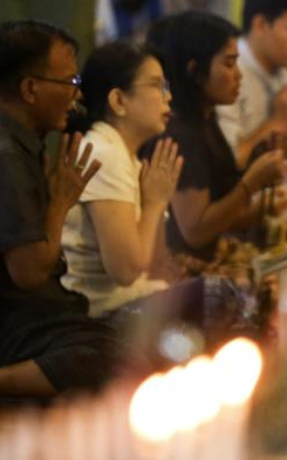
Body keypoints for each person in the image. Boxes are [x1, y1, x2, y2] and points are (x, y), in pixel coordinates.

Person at [0, 20, 133, 404]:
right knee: (115, 357)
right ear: (30, 89)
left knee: (144, 334)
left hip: (28, 314)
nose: (77, 98)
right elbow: (28, 273)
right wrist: (61, 201)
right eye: (70, 83)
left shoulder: (11, 135)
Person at [151, 10, 287, 276]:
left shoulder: (205, 117)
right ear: (194, 70)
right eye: (228, 64)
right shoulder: (181, 133)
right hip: (184, 275)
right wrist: (252, 182)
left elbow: (222, 206)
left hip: (215, 255)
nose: (238, 75)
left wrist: (264, 179)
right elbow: (196, 231)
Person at [61, 40, 182, 317]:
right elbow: (126, 271)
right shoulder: (104, 152)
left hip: (126, 305)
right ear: (118, 100)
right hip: (98, 317)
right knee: (221, 297)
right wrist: (154, 203)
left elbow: (153, 263)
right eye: (156, 85)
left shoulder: (124, 153)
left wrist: (157, 202)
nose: (168, 97)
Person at [218, 0, 287, 167]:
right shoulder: (229, 70)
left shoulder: (282, 71)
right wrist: (279, 121)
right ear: (260, 24)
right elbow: (228, 162)